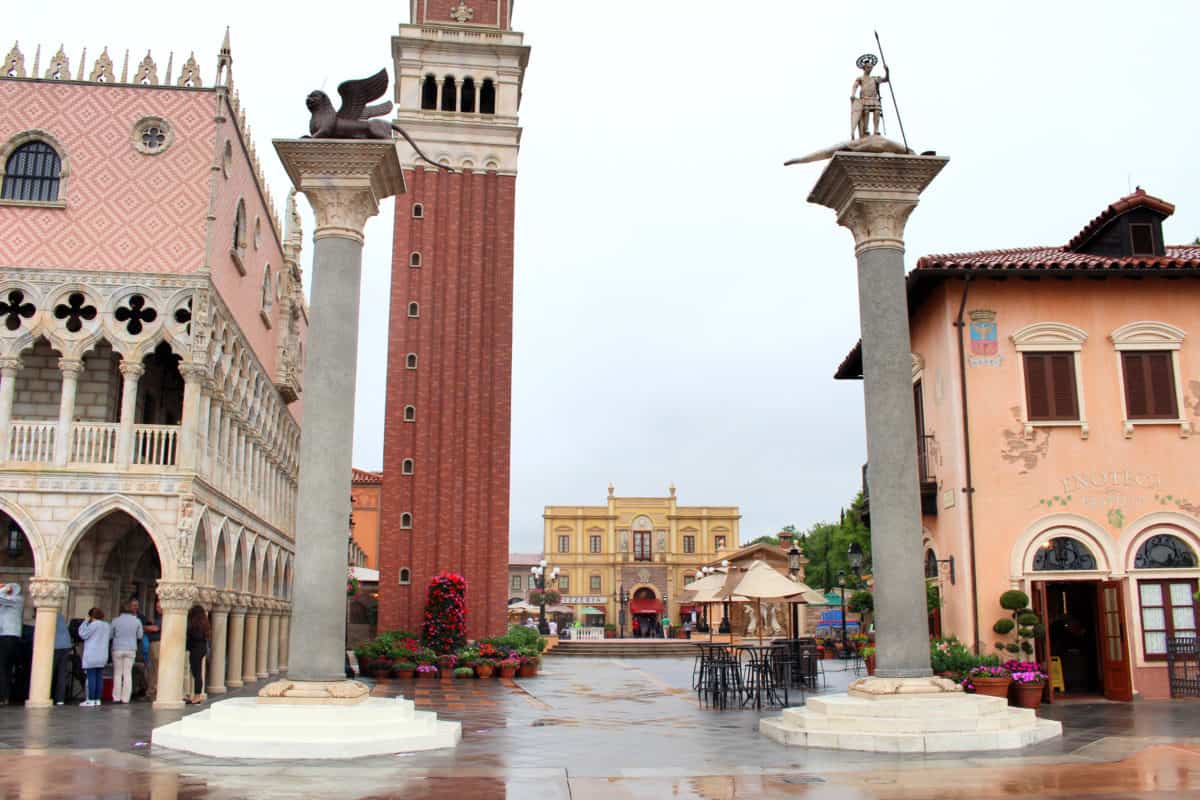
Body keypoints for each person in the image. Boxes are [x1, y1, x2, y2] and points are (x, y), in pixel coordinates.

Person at [110, 600, 143, 704]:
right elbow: (140, 635)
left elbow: (110, 635)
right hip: (131, 648)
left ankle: (116, 697)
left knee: (117, 673)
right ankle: (125, 698)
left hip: (118, 648)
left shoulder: (115, 620)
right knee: (128, 673)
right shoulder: (137, 621)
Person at [77, 607, 111, 707]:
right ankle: (97, 699)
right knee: (99, 677)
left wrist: (85, 622)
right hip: (102, 654)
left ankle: (91, 699)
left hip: (92, 654)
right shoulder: (106, 625)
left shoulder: (93, 625)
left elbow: (83, 634)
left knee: (91, 676)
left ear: (91, 616)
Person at [0, 583, 23, 705]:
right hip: (4, 636)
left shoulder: (16, 600)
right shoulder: (6, 603)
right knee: (4, 669)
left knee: (4, 667)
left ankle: (3, 696)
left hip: (9, 637)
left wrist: (4, 588)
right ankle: (4, 696)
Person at [185, 605, 210, 704]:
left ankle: (197, 696)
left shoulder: (196, 625)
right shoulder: (204, 623)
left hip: (196, 649)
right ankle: (195, 695)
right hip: (201, 649)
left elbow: (196, 636)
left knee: (196, 672)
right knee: (196, 672)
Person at [52, 612, 73, 706]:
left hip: (56, 646)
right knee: (62, 674)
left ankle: (47, 695)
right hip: (66, 645)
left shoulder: (48, 614)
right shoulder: (60, 615)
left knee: (49, 673)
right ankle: (60, 699)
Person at [144, 598, 161, 700]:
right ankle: (152, 691)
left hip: (157, 644)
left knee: (156, 668)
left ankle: (154, 691)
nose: (157, 609)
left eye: (159, 607)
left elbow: (156, 628)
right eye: (157, 607)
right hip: (153, 644)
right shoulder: (158, 618)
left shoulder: (164, 617)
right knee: (152, 669)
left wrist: (143, 627)